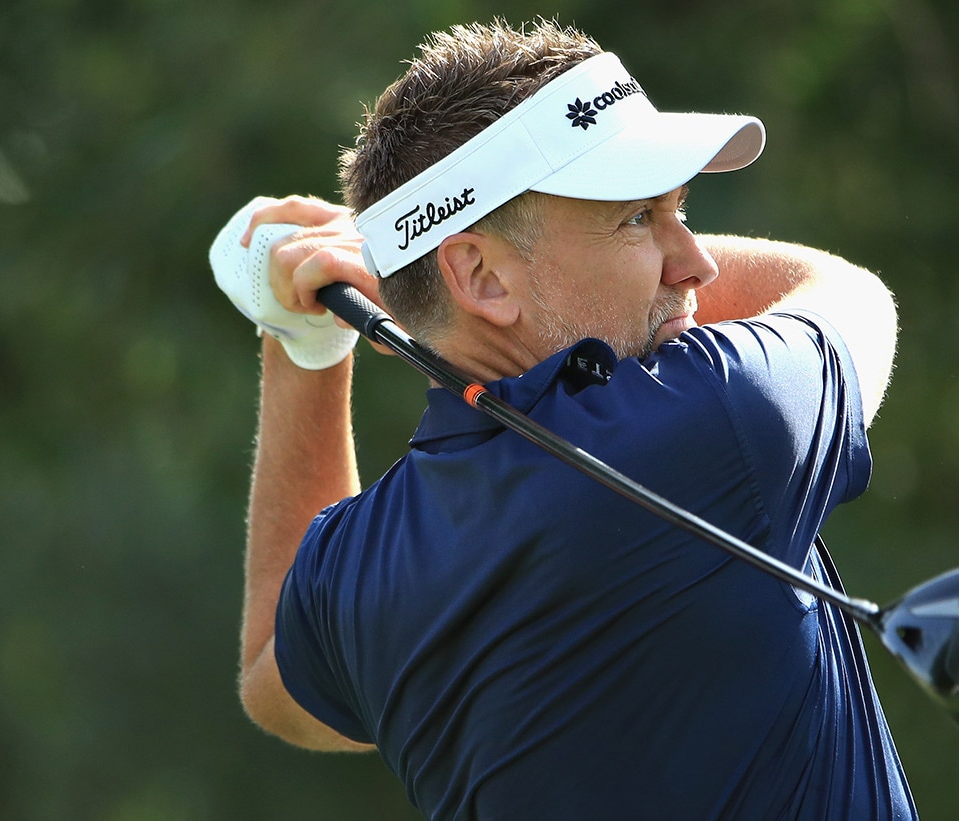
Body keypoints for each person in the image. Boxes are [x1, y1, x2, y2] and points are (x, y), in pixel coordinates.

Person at [218, 19, 914, 820]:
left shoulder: (360, 567)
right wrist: (398, 273)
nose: (697, 262)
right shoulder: (706, 424)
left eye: (679, 210)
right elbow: (847, 292)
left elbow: (271, 677)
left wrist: (304, 341)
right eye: (637, 218)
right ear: (481, 276)